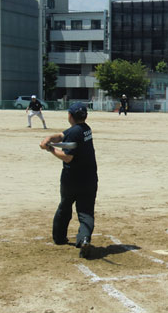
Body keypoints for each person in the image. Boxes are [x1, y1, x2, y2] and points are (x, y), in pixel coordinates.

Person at [40, 102, 98, 258]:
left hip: (72, 179)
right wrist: (49, 138)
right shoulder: (86, 129)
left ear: (70, 116)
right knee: (86, 212)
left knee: (65, 206)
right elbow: (63, 135)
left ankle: (59, 238)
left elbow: (67, 157)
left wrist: (50, 148)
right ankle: (84, 238)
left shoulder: (75, 133)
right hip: (89, 178)